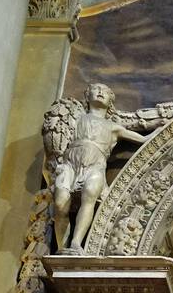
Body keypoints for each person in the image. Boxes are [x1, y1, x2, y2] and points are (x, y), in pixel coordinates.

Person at [53, 83, 156, 251]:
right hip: (70, 163)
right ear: (87, 96)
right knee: (59, 203)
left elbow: (144, 139)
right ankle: (60, 246)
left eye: (105, 91)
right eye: (96, 89)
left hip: (96, 165)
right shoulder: (77, 118)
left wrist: (163, 127)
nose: (100, 92)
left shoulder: (114, 127)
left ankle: (76, 243)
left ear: (110, 101)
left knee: (89, 197)